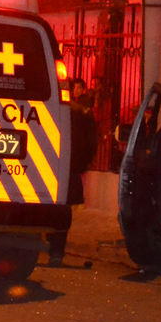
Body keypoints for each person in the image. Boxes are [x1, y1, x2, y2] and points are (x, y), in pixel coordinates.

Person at [48, 78, 97, 266]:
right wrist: (82, 164)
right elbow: (90, 142)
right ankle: (56, 251)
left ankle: (52, 248)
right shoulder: (79, 111)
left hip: (53, 168)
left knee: (53, 209)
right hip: (69, 169)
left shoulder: (50, 108)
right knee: (63, 210)